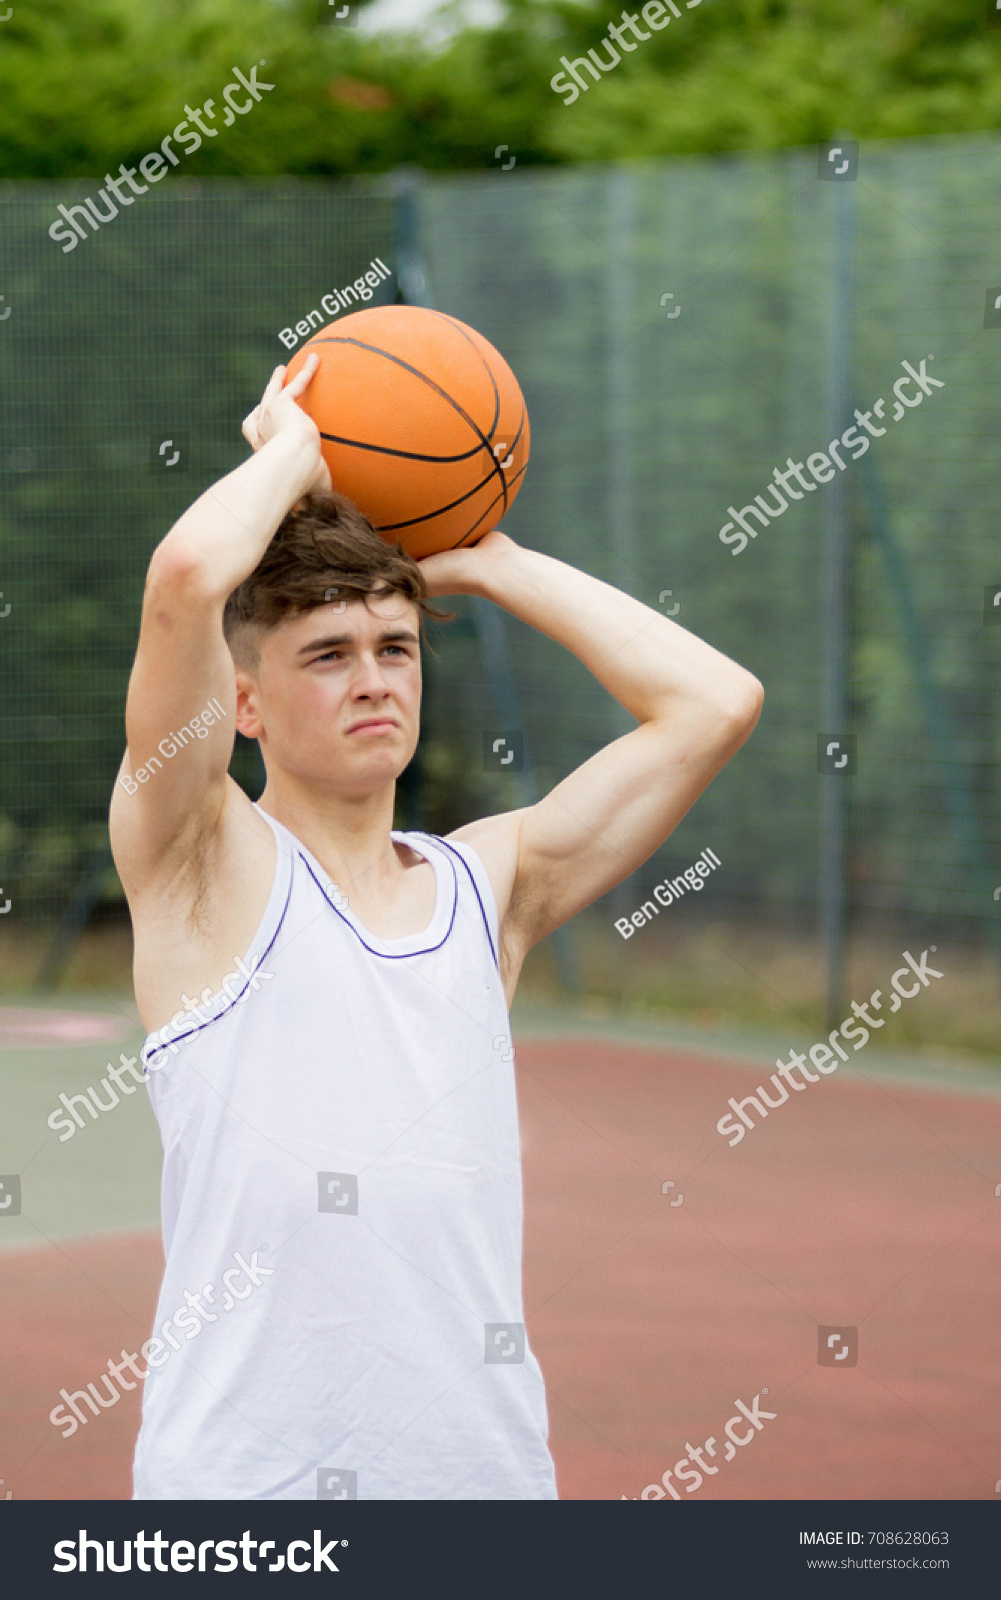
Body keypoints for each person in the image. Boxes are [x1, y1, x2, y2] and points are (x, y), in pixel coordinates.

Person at [109, 355, 763, 1500]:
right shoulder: (201, 862)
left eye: (394, 648)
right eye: (326, 655)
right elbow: (185, 579)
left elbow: (715, 703)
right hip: (245, 1495)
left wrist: (491, 561)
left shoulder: (489, 887)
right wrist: (295, 458)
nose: (373, 680)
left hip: (484, 1484)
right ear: (244, 702)